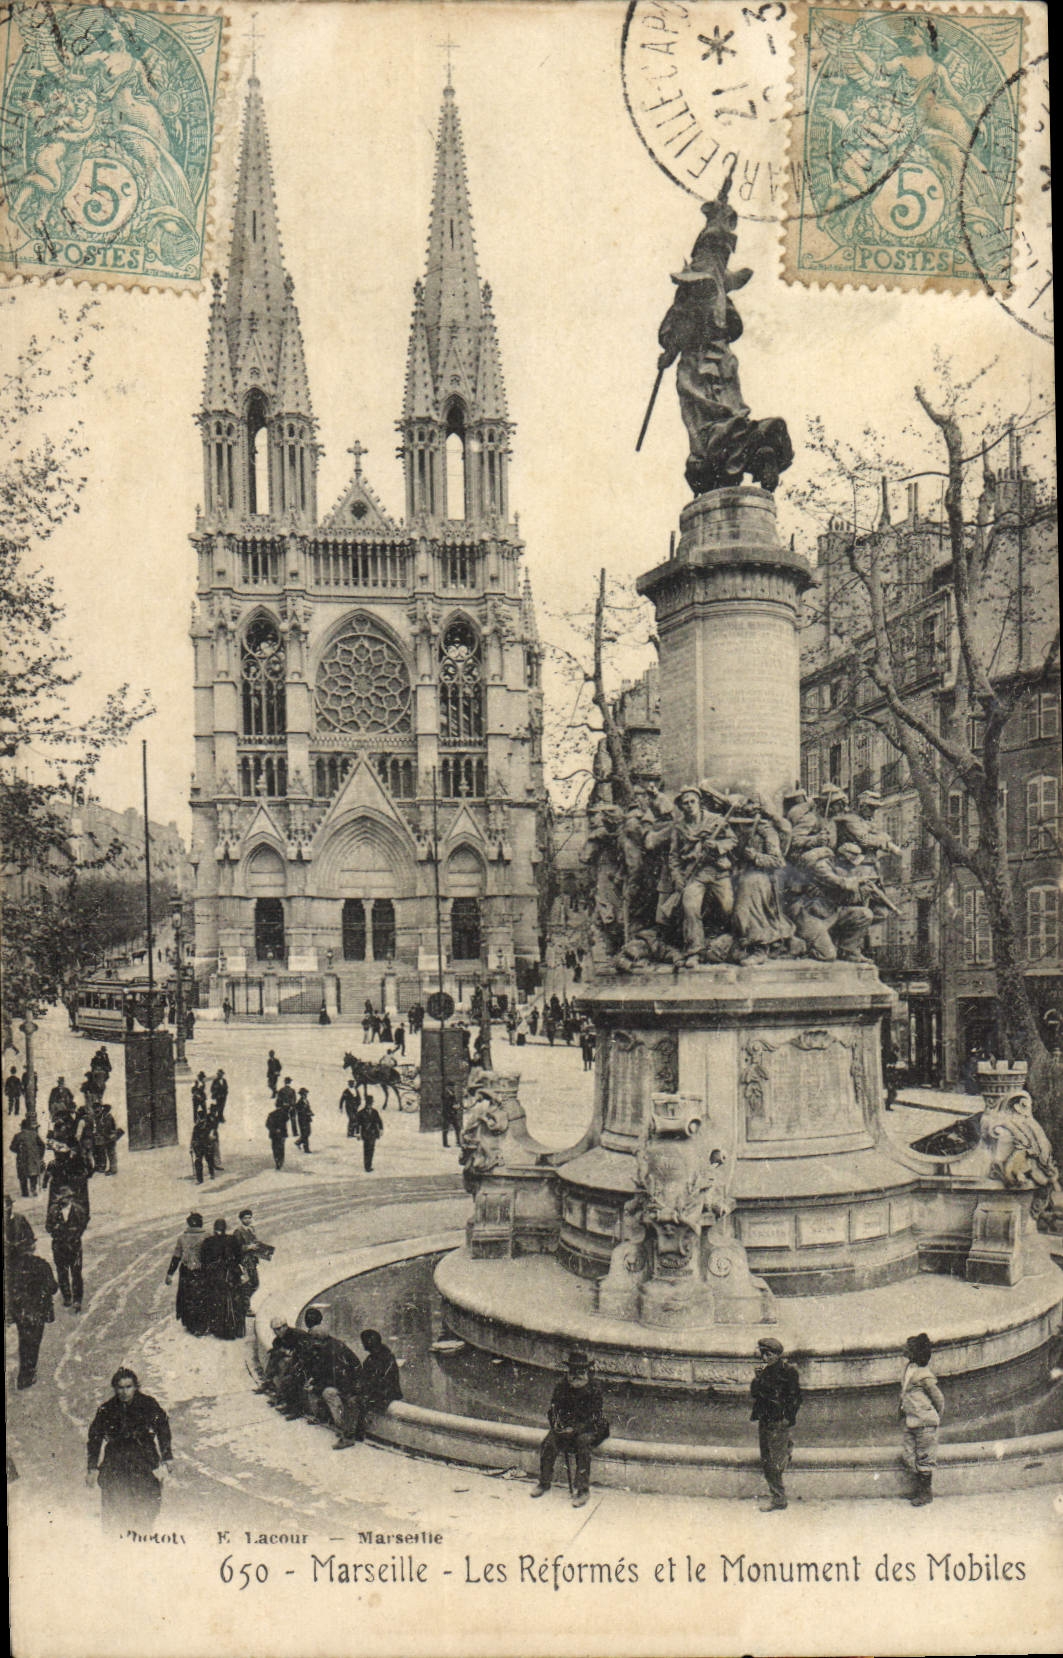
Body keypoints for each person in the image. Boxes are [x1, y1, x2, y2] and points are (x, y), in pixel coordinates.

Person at [86, 1368, 173, 1532]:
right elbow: (95, 1438)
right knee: (115, 1514)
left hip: (143, 1461)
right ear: (115, 1388)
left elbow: (163, 1427)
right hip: (116, 1465)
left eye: (128, 1387)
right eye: (120, 1387)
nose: (124, 1392)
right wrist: (92, 1467)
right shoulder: (107, 1409)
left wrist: (166, 1456)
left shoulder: (148, 1404)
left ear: (135, 1387)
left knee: (147, 1509)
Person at [531, 1351, 609, 1508]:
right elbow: (553, 1410)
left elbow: (595, 1416)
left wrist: (574, 1429)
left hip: (590, 1427)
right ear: (568, 1371)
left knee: (583, 1443)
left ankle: (583, 1490)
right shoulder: (561, 1386)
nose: (576, 1376)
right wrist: (558, 1427)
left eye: (581, 1371)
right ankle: (544, 1482)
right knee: (549, 1442)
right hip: (566, 1426)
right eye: (573, 1371)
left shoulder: (594, 1388)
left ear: (587, 1371)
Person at [749, 1335, 802, 1511]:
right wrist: (757, 1379)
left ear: (777, 1354)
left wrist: (789, 1419)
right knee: (767, 1459)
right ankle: (778, 1497)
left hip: (778, 1421)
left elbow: (795, 1398)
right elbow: (755, 1394)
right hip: (765, 1419)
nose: (765, 1358)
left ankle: (779, 1499)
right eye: (763, 1355)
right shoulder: (764, 1371)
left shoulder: (788, 1371)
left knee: (774, 1461)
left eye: (769, 1354)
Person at [302, 1308, 365, 1450]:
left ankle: (347, 1434)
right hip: (346, 1380)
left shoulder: (333, 1352)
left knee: (330, 1394)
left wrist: (316, 1386)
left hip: (350, 1384)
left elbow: (336, 1378)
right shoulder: (329, 1346)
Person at [899, 1332, 944, 1506]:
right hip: (911, 1420)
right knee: (909, 1455)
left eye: (908, 1348)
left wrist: (933, 1416)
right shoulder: (908, 1369)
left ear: (915, 1352)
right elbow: (904, 1393)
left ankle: (925, 1493)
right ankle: (920, 1489)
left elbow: (938, 1398)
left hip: (925, 1421)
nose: (904, 1349)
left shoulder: (924, 1375)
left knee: (925, 1457)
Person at [7, 1238, 58, 1388]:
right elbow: (53, 1287)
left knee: (24, 1341)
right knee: (34, 1343)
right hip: (38, 1312)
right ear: (32, 1247)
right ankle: (28, 1374)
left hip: (21, 1312)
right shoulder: (41, 1264)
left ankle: (24, 1374)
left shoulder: (13, 1267)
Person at [199, 1218, 246, 1340]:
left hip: (215, 1276)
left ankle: (222, 1329)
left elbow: (203, 1260)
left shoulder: (208, 1241)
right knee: (234, 1302)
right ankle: (237, 1329)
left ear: (214, 1229)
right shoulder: (232, 1240)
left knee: (218, 1302)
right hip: (231, 1275)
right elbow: (239, 1257)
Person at [165, 1213, 209, 1335]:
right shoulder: (207, 1236)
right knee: (202, 1296)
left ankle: (191, 1325)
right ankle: (202, 1325)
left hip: (186, 1271)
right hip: (203, 1271)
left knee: (188, 1297)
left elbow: (176, 1256)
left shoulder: (182, 1238)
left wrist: (170, 1273)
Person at [46, 1185, 88, 1312]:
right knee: (62, 1272)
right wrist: (56, 1229)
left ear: (70, 1198)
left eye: (65, 1198)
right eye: (60, 1198)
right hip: (59, 1246)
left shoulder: (78, 1210)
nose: (62, 1201)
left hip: (74, 1246)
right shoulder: (53, 1210)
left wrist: (74, 1234)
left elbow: (83, 1225)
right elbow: (48, 1227)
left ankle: (77, 1300)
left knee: (76, 1273)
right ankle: (67, 1297)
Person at [232, 1207, 274, 1311]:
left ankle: (244, 1304)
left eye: (250, 1217)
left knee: (253, 1283)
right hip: (245, 1261)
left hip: (252, 1260)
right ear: (241, 1219)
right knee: (250, 1284)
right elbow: (236, 1248)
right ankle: (245, 1307)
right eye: (246, 1218)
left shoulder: (251, 1229)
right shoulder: (238, 1231)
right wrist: (248, 1247)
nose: (248, 1220)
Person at [11, 1117, 45, 1198]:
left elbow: (12, 1147)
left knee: (22, 1175)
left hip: (22, 1158)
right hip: (33, 1158)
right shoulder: (35, 1134)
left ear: (22, 1127)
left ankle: (25, 1192)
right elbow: (42, 1145)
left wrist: (18, 1151)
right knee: (33, 1173)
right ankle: (33, 1189)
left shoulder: (18, 1136)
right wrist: (40, 1155)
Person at [354, 1092, 383, 1171]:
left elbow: (379, 1121)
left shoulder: (375, 1112)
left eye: (371, 1103)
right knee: (367, 1149)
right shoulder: (361, 1113)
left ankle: (369, 1165)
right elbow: (357, 1124)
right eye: (368, 1103)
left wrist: (381, 1129)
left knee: (372, 1149)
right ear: (366, 1103)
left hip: (373, 1133)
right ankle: (367, 1166)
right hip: (365, 1133)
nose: (369, 1104)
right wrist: (357, 1133)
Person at [93, 1099, 122, 1174]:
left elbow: (108, 1127)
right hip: (108, 1137)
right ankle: (112, 1169)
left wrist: (104, 1134)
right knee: (110, 1153)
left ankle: (113, 1169)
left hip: (109, 1137)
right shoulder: (105, 1116)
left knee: (111, 1153)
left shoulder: (108, 1117)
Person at [189, 1113, 217, 1184]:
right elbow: (193, 1138)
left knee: (209, 1160)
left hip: (207, 1146)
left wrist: (211, 1140)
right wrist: (191, 1147)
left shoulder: (209, 1126)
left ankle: (212, 1173)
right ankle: (199, 1179)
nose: (200, 1121)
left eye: (201, 1119)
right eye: (199, 1119)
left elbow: (213, 1136)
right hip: (198, 1147)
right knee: (198, 1162)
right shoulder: (196, 1127)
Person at [266, 1100, 289, 1169]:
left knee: (275, 1149)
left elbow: (267, 1124)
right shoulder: (284, 1114)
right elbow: (287, 1119)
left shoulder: (271, 1114)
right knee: (281, 1148)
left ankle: (277, 1162)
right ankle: (280, 1162)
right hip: (282, 1134)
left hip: (274, 1135)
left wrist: (274, 1130)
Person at [441, 1083, 461, 1150]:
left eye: (453, 1087)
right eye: (451, 1087)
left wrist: (456, 1107)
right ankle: (445, 1143)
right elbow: (446, 1104)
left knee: (457, 1128)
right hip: (447, 1114)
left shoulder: (452, 1094)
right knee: (446, 1129)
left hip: (453, 1113)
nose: (453, 1088)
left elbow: (454, 1102)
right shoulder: (446, 1094)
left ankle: (458, 1142)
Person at [294, 1087, 314, 1152]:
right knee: (305, 1134)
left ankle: (298, 1142)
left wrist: (311, 1112)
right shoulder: (299, 1102)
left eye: (306, 1093)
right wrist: (305, 1113)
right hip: (302, 1120)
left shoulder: (306, 1100)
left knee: (308, 1132)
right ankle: (306, 1149)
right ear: (301, 1094)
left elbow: (308, 1108)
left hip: (307, 1119)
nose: (306, 1094)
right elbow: (298, 1110)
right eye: (304, 1093)